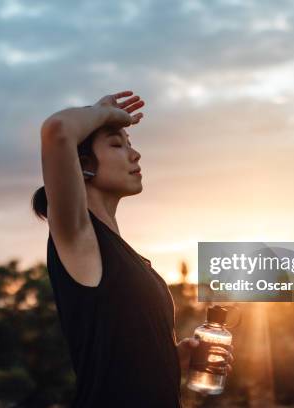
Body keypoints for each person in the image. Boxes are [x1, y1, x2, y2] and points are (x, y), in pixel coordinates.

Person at [32, 90, 233, 407]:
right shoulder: (80, 235)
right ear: (84, 165)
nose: (135, 154)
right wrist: (104, 112)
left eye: (130, 143)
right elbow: (57, 129)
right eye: (116, 144)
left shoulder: (126, 256)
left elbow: (118, 359)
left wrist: (172, 361)